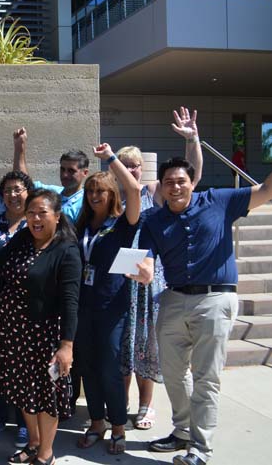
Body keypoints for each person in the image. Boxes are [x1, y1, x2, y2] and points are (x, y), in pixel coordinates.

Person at [134, 159, 272, 465]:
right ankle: (182, 430)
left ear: (192, 182)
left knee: (206, 376)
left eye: (181, 180)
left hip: (215, 299)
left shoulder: (219, 200)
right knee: (170, 371)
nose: (176, 187)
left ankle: (200, 448)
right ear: (162, 186)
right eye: (169, 182)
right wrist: (143, 267)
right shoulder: (154, 219)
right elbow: (145, 256)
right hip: (172, 299)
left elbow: (265, 191)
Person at [116, 106, 204, 431]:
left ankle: (146, 406)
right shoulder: (112, 197)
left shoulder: (154, 191)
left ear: (142, 168)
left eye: (135, 165)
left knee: (147, 346)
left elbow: (191, 175)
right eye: (125, 165)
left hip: (151, 281)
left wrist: (191, 140)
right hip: (120, 283)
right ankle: (120, 407)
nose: (131, 170)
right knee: (123, 348)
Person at [0, 189, 81, 465]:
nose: (35, 218)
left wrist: (66, 346)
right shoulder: (23, 239)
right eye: (31, 213)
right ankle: (33, 443)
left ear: (57, 216)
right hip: (14, 331)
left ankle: (46, 452)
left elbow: (70, 301)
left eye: (42, 213)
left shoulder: (66, 250)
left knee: (46, 396)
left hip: (45, 335)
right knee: (23, 390)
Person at [73, 144, 143, 455]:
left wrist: (111, 158)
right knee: (87, 366)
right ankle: (97, 422)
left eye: (101, 191)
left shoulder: (123, 225)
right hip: (83, 307)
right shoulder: (82, 226)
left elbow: (135, 188)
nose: (95, 196)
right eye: (90, 192)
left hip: (111, 308)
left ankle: (117, 425)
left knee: (110, 367)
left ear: (111, 194)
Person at [0, 170, 34, 448]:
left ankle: (25, 424)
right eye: (8, 190)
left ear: (28, 192)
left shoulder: (35, 222)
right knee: (1, 364)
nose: (13, 195)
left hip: (28, 306)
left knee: (25, 366)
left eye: (18, 189)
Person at [13, 127, 89, 223]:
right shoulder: (51, 193)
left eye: (71, 171)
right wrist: (19, 147)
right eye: (62, 169)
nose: (65, 175)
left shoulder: (87, 202)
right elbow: (24, 183)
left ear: (85, 173)